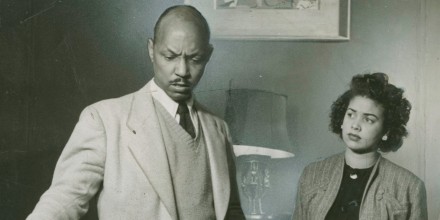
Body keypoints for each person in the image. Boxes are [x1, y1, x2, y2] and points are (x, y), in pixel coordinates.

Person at [27, 5, 245, 220]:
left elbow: (232, 211)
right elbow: (65, 198)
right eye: (170, 57)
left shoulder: (219, 129)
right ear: (151, 50)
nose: (182, 71)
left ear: (208, 55)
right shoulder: (103, 119)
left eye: (194, 59)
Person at [293, 72, 427, 220]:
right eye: (351, 114)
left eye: (368, 119)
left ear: (386, 131)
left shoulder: (409, 187)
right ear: (342, 119)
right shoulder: (312, 174)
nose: (355, 125)